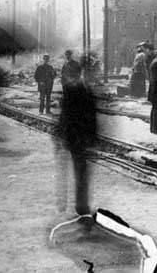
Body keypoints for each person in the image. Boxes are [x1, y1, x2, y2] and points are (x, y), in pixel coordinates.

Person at [56, 73, 97, 216]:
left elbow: (63, 115)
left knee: (77, 170)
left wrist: (60, 134)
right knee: (81, 172)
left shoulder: (71, 89)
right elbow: (91, 116)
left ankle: (74, 204)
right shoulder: (85, 90)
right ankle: (81, 206)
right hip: (79, 137)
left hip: (72, 136)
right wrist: (92, 136)